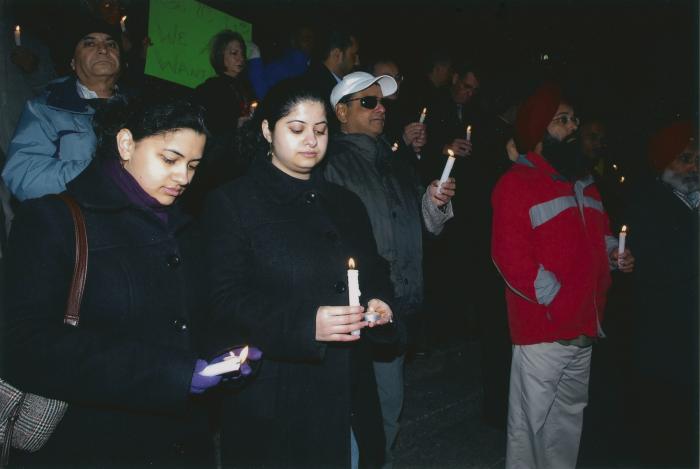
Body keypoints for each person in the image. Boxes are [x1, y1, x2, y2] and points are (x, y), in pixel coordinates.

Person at [1, 95, 253, 466]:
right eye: (170, 159)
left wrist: (227, 351)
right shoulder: (53, 221)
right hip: (88, 447)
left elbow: (193, 318)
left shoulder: (186, 230)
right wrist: (172, 375)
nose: (183, 178)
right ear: (125, 143)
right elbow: (23, 343)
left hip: (179, 445)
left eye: (194, 165)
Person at [202, 79, 398, 468]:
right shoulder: (232, 203)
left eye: (320, 130)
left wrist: (380, 303)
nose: (311, 140)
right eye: (296, 129)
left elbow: (374, 271)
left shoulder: (345, 202)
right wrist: (304, 324)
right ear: (266, 131)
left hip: (347, 389)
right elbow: (222, 301)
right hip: (276, 394)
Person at [491, 83, 635, 469]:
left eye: (574, 118)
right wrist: (557, 300)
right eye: (562, 120)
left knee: (566, 428)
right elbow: (510, 258)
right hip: (544, 331)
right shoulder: (517, 183)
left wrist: (614, 254)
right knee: (530, 432)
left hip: (585, 328)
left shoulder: (584, 182)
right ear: (538, 131)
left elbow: (602, 235)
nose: (574, 126)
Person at [323, 71, 456, 467]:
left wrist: (434, 203)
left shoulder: (396, 162)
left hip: (394, 310)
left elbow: (426, 226)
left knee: (388, 408)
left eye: (382, 102)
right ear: (341, 112)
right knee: (347, 417)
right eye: (368, 102)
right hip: (350, 316)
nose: (381, 109)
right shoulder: (328, 162)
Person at [627, 121, 698, 468]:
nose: (694, 167)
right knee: (665, 433)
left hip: (688, 338)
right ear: (665, 163)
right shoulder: (649, 204)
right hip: (665, 340)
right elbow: (654, 268)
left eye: (697, 159)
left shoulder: (693, 201)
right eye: (685, 159)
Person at [2, 19, 124, 201]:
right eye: (89, 43)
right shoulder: (45, 109)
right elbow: (23, 177)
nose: (103, 49)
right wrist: (104, 173)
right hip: (79, 223)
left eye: (111, 44)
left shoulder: (142, 109)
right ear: (73, 63)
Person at [195, 29, 255, 137]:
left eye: (242, 53)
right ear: (220, 55)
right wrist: (235, 124)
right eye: (234, 53)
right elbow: (206, 124)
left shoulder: (246, 88)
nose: (240, 58)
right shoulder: (211, 87)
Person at [247, 25, 314, 99]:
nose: (309, 42)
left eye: (312, 38)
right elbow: (264, 94)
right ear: (293, 41)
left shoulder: (316, 68)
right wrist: (255, 59)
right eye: (305, 38)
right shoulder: (280, 66)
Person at [303, 28, 360, 104]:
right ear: (337, 54)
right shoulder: (319, 90)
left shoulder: (320, 81)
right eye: (353, 55)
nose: (357, 62)